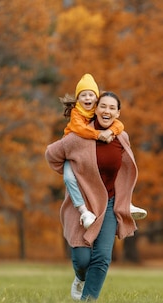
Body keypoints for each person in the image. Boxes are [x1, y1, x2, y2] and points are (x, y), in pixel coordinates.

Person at [46, 91, 139, 302]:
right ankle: (80, 278)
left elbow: (125, 169)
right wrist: (69, 170)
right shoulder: (78, 137)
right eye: (103, 106)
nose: (107, 111)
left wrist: (125, 198)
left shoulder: (121, 137)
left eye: (112, 108)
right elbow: (51, 155)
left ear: (118, 112)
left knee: (102, 257)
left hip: (109, 202)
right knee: (82, 259)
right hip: (82, 206)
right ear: (95, 109)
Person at [61, 74, 147, 230]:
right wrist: (99, 135)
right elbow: (80, 130)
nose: (87, 98)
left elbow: (119, 124)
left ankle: (127, 203)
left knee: (119, 171)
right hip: (72, 154)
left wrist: (111, 132)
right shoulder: (76, 113)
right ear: (77, 99)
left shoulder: (97, 111)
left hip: (89, 152)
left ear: (96, 98)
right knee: (68, 178)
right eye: (83, 95)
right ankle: (83, 210)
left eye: (91, 94)